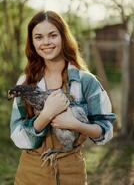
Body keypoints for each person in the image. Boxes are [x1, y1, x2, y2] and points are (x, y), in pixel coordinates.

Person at [10, 10, 116, 185]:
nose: (46, 42)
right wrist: (45, 116)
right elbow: (18, 136)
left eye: (52, 35)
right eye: (38, 37)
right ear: (32, 42)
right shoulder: (26, 82)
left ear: (63, 37)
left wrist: (76, 125)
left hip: (71, 173)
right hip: (31, 173)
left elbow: (106, 131)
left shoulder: (85, 81)